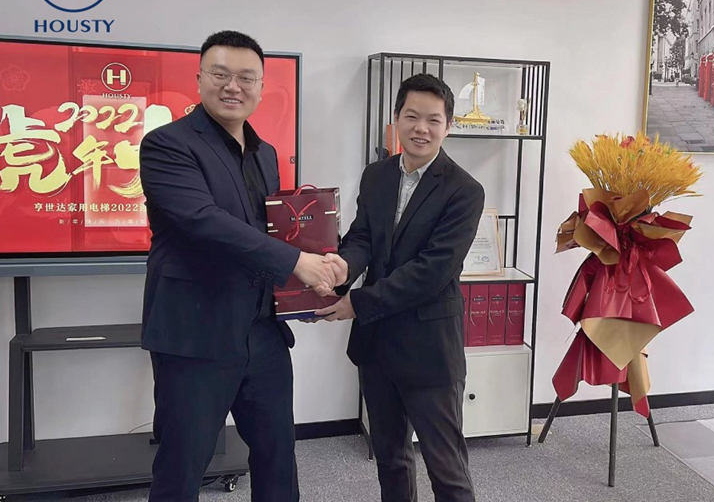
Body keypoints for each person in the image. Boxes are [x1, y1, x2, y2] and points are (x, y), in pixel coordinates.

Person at [139, 30, 336, 502]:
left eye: (247, 78)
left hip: (262, 332)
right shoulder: (166, 145)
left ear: (261, 87)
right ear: (200, 79)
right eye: (221, 74)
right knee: (182, 467)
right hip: (195, 335)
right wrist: (296, 261)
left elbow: (268, 233)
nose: (233, 87)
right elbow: (203, 221)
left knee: (277, 458)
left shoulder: (265, 153)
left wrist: (312, 272)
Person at [318, 73, 485, 502]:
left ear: (448, 126)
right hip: (377, 346)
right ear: (396, 119)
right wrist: (342, 266)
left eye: (433, 120)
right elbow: (362, 238)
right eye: (411, 116)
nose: (421, 128)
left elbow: (433, 271)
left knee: (447, 470)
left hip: (429, 350)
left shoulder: (464, 190)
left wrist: (358, 302)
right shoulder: (376, 175)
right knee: (390, 461)